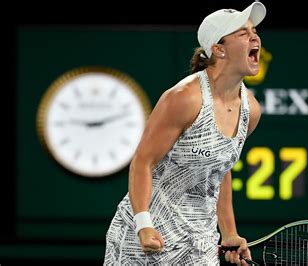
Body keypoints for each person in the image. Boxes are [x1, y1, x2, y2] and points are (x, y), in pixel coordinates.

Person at [104, 1, 267, 265]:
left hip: (199, 245)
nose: (254, 36)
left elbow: (220, 169)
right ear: (219, 49)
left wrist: (228, 232)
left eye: (254, 30)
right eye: (243, 33)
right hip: (146, 241)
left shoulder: (252, 110)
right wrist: (143, 224)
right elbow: (143, 162)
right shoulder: (184, 99)